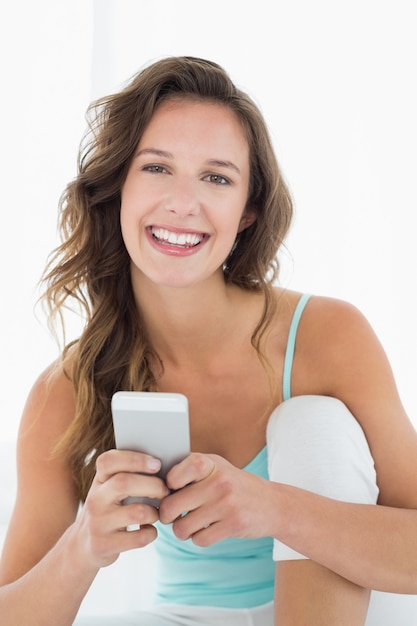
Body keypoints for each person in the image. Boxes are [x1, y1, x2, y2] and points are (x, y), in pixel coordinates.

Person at [0, 55, 416, 626]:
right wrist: (82, 548)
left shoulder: (326, 335)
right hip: (194, 616)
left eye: (216, 177)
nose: (183, 202)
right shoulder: (66, 390)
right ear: (118, 184)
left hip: (366, 608)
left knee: (310, 421)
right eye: (157, 168)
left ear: (246, 211)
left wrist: (273, 508)